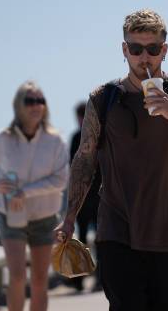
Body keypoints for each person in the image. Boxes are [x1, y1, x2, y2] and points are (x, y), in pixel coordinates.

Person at [55, 9, 168, 310]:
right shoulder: (103, 99)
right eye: (136, 49)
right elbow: (85, 160)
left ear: (164, 50)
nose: (145, 58)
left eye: (153, 49)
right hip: (118, 233)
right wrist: (68, 218)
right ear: (124, 50)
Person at [0, 81, 69, 311]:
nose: (36, 105)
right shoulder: (4, 138)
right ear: (19, 105)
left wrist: (24, 192)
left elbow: (61, 179)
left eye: (40, 100)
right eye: (30, 101)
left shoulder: (55, 140)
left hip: (45, 216)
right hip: (11, 215)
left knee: (39, 281)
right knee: (17, 276)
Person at [69, 101, 102, 292]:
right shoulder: (75, 138)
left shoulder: (99, 135)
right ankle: (78, 280)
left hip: (98, 197)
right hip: (82, 199)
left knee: (100, 240)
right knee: (80, 241)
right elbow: (72, 167)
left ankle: (100, 278)